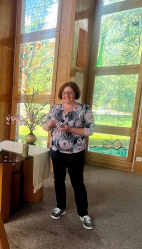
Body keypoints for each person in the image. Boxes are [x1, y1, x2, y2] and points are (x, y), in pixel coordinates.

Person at [42, 81, 95, 230]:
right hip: (56, 150)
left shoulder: (84, 109)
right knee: (58, 179)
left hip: (75, 152)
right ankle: (60, 207)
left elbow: (90, 130)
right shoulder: (55, 108)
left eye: (70, 92)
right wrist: (49, 125)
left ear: (75, 94)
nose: (67, 95)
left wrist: (71, 129)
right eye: (64, 93)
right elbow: (45, 126)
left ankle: (83, 214)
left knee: (77, 182)